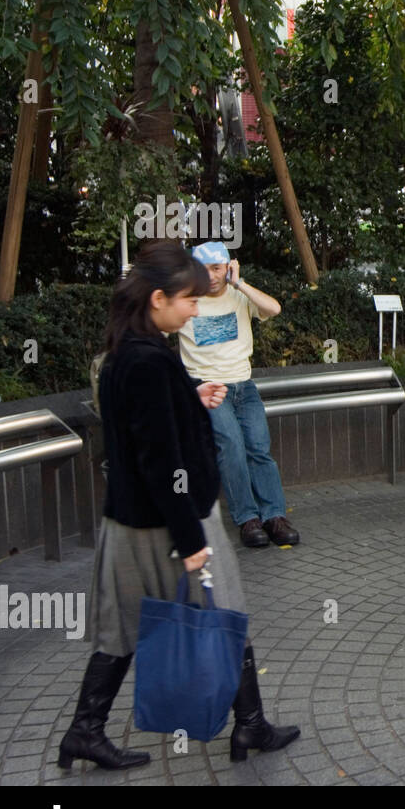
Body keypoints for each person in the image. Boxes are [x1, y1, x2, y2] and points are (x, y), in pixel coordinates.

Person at [58, 242, 298, 771]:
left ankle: (84, 731)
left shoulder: (127, 351)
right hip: (175, 524)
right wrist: (191, 541)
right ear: (159, 298)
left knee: (120, 629)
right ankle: (251, 726)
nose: (195, 308)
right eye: (188, 299)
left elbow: (141, 428)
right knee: (228, 614)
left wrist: (189, 395)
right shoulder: (149, 360)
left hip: (126, 524)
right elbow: (163, 461)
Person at [176, 242, 300, 549]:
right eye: (203, 269)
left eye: (217, 268)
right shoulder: (186, 301)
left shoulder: (239, 295)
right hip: (210, 387)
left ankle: (274, 516)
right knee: (230, 447)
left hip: (244, 386)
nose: (212, 276)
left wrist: (240, 283)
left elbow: (274, 309)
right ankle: (247, 520)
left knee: (259, 448)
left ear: (228, 266)